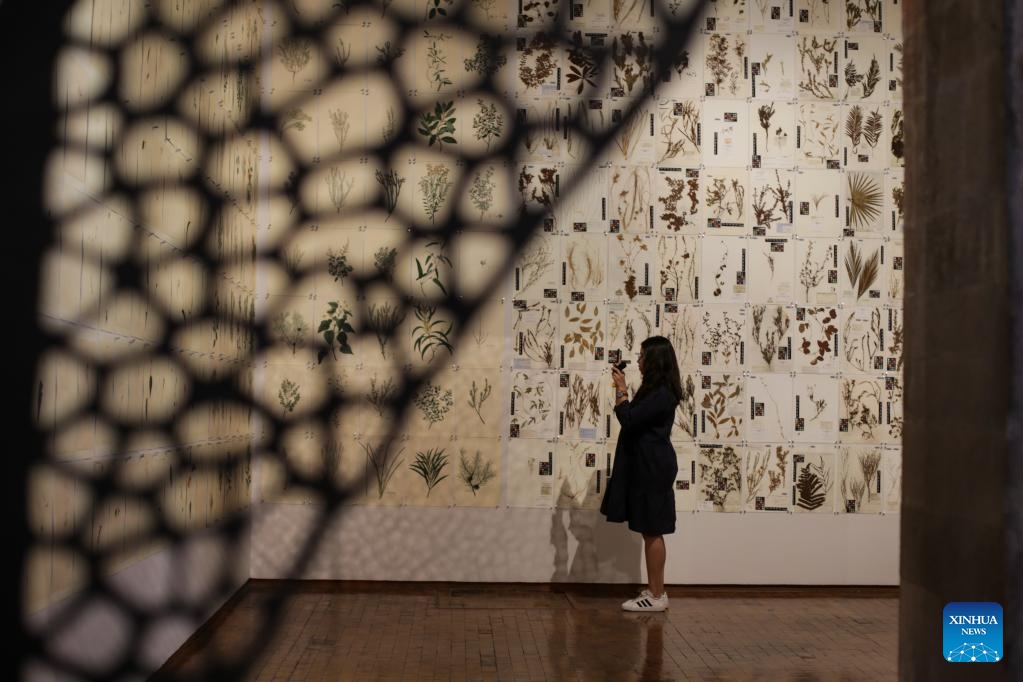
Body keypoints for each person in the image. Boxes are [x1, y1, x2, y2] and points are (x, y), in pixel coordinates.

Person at [600, 336, 682, 612]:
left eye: (642, 355)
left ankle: (657, 596)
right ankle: (655, 590)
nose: (638, 360)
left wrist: (621, 389)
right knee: (651, 529)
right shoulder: (656, 390)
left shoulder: (660, 393)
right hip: (650, 463)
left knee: (653, 531)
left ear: (654, 360)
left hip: (653, 466)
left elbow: (629, 419)